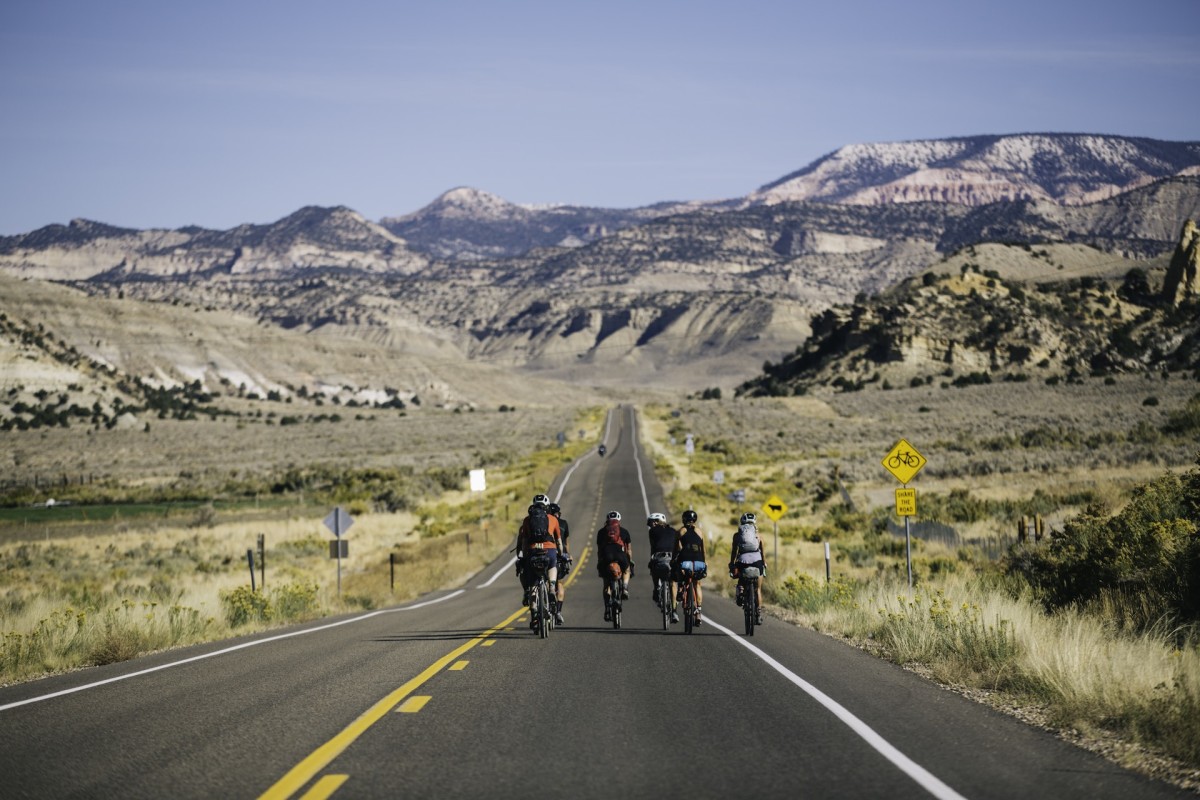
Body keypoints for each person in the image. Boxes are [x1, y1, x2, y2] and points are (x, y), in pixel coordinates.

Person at [515, 493, 564, 626]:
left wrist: (524, 556)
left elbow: (524, 541)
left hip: (532, 551)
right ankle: (552, 588)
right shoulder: (553, 519)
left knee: (533, 585)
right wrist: (561, 553)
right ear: (547, 507)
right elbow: (559, 541)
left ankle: (535, 612)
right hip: (550, 550)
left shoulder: (527, 520)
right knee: (552, 566)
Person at [729, 512, 767, 625]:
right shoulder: (758, 536)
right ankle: (759, 613)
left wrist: (732, 563)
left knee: (741, 577)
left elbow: (734, 551)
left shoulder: (737, 535)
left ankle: (740, 591)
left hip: (743, 560)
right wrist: (764, 563)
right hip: (757, 561)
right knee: (758, 589)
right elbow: (763, 552)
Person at [673, 509, 707, 626]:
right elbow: (703, 549)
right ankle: (699, 612)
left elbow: (677, 548)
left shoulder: (681, 531)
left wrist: (674, 559)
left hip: (685, 561)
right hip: (699, 561)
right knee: (697, 583)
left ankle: (681, 588)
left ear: (684, 519)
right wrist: (704, 562)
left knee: (680, 571)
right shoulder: (700, 532)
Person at [596, 510, 632, 621]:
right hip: (620, 554)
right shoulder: (624, 531)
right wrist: (629, 561)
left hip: (606, 555)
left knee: (606, 584)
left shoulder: (601, 532)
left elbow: (599, 550)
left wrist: (600, 562)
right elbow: (629, 550)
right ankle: (625, 587)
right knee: (627, 569)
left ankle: (607, 609)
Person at [646, 512, 680, 624]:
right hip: (671, 559)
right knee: (673, 583)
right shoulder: (674, 531)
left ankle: (656, 588)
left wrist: (651, 561)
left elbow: (653, 548)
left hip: (659, 558)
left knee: (653, 567)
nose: (650, 526)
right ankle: (674, 611)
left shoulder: (652, 531)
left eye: (651, 523)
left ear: (656, 521)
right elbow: (678, 548)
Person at [548, 502, 571, 625]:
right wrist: (567, 555)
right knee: (560, 584)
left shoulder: (546, 522)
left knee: (546, 579)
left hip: (545, 553)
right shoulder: (563, 523)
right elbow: (565, 542)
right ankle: (558, 612)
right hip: (558, 556)